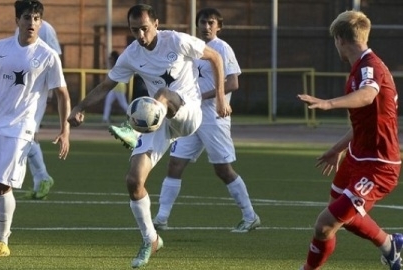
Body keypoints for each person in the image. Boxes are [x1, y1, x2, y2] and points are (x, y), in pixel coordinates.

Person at [67, 4, 229, 268]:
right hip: (159, 122)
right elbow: (107, 84)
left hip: (187, 112)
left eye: (144, 28)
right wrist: (80, 107)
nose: (140, 35)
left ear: (156, 23)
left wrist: (221, 97)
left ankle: (132, 129)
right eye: (134, 30)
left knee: (161, 93)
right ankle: (150, 239)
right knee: (133, 180)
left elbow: (215, 58)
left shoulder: (175, 40)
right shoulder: (131, 54)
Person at [0, 0, 71, 257]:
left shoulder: (48, 55)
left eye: (37, 18)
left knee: (1, 185)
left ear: (41, 22)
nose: (32, 23)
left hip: (20, 128)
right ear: (17, 20)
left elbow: (62, 94)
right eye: (27, 17)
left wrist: (65, 129)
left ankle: (2, 240)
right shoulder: (0, 47)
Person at [297, 10, 402, 270]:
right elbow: (366, 121)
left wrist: (328, 103)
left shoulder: (370, 68)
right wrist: (337, 149)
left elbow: (367, 95)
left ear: (340, 40)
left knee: (325, 224)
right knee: (337, 213)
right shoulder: (362, 67)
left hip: (378, 165)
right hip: (357, 155)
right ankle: (391, 245)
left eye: (335, 41)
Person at [152, 7, 260, 233]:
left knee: (223, 169)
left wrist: (208, 96)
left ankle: (250, 216)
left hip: (213, 117)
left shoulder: (222, 48)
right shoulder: (192, 46)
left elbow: (233, 83)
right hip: (190, 115)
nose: (206, 26)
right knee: (174, 164)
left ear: (219, 26)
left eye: (211, 23)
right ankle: (161, 218)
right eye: (203, 22)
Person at [15, 19, 62, 199]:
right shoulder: (19, 27)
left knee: (26, 134)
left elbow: (55, 57)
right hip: (20, 92)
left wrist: (51, 90)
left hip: (37, 92)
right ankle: (40, 181)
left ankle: (42, 178)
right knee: (26, 135)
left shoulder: (46, 28)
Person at [102, 51, 129, 124]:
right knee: (108, 102)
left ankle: (133, 116)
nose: (110, 59)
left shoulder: (118, 64)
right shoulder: (114, 64)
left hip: (119, 87)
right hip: (113, 87)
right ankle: (105, 118)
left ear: (114, 58)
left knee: (123, 104)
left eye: (111, 58)